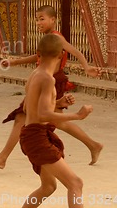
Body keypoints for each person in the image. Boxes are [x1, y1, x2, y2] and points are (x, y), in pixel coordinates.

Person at [0, 5, 103, 169]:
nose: (38, 22)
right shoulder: (48, 39)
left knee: (22, 118)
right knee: (55, 121)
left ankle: (2, 158)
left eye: (42, 19)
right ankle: (93, 145)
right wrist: (14, 62)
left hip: (51, 82)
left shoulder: (56, 38)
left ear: (53, 20)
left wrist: (87, 68)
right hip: (44, 81)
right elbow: (39, 56)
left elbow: (75, 52)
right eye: (36, 19)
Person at [20, 33, 92, 208]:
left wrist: (57, 103)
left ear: (38, 53)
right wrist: (77, 116)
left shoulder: (35, 74)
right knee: (75, 183)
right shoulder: (46, 78)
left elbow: (27, 109)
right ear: (61, 55)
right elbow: (43, 114)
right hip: (37, 137)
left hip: (32, 134)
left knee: (48, 187)